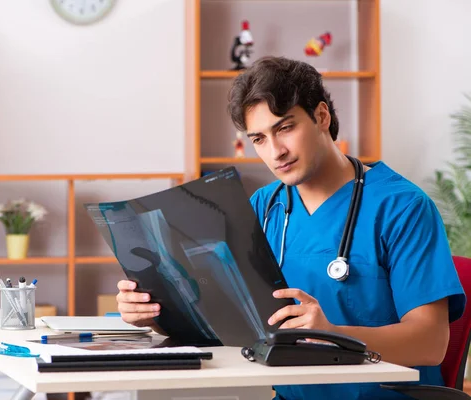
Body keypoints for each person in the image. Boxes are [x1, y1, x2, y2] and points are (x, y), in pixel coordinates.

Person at [115, 56, 466, 399]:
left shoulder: (401, 207)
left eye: (285, 128)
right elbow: (229, 322)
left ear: (322, 116)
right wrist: (153, 315)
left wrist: (333, 336)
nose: (275, 152)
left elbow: (430, 344)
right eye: (259, 139)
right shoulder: (264, 207)